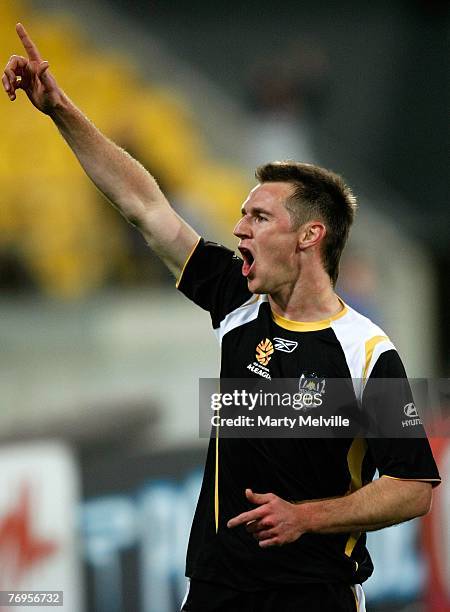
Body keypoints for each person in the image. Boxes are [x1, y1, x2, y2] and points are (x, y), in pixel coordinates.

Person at [3, 24, 441, 612]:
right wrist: (59, 109)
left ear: (311, 236)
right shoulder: (237, 299)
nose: (239, 229)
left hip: (312, 597)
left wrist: (307, 517)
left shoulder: (367, 352)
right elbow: (145, 207)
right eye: (241, 215)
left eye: (259, 217)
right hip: (215, 593)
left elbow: (413, 488)